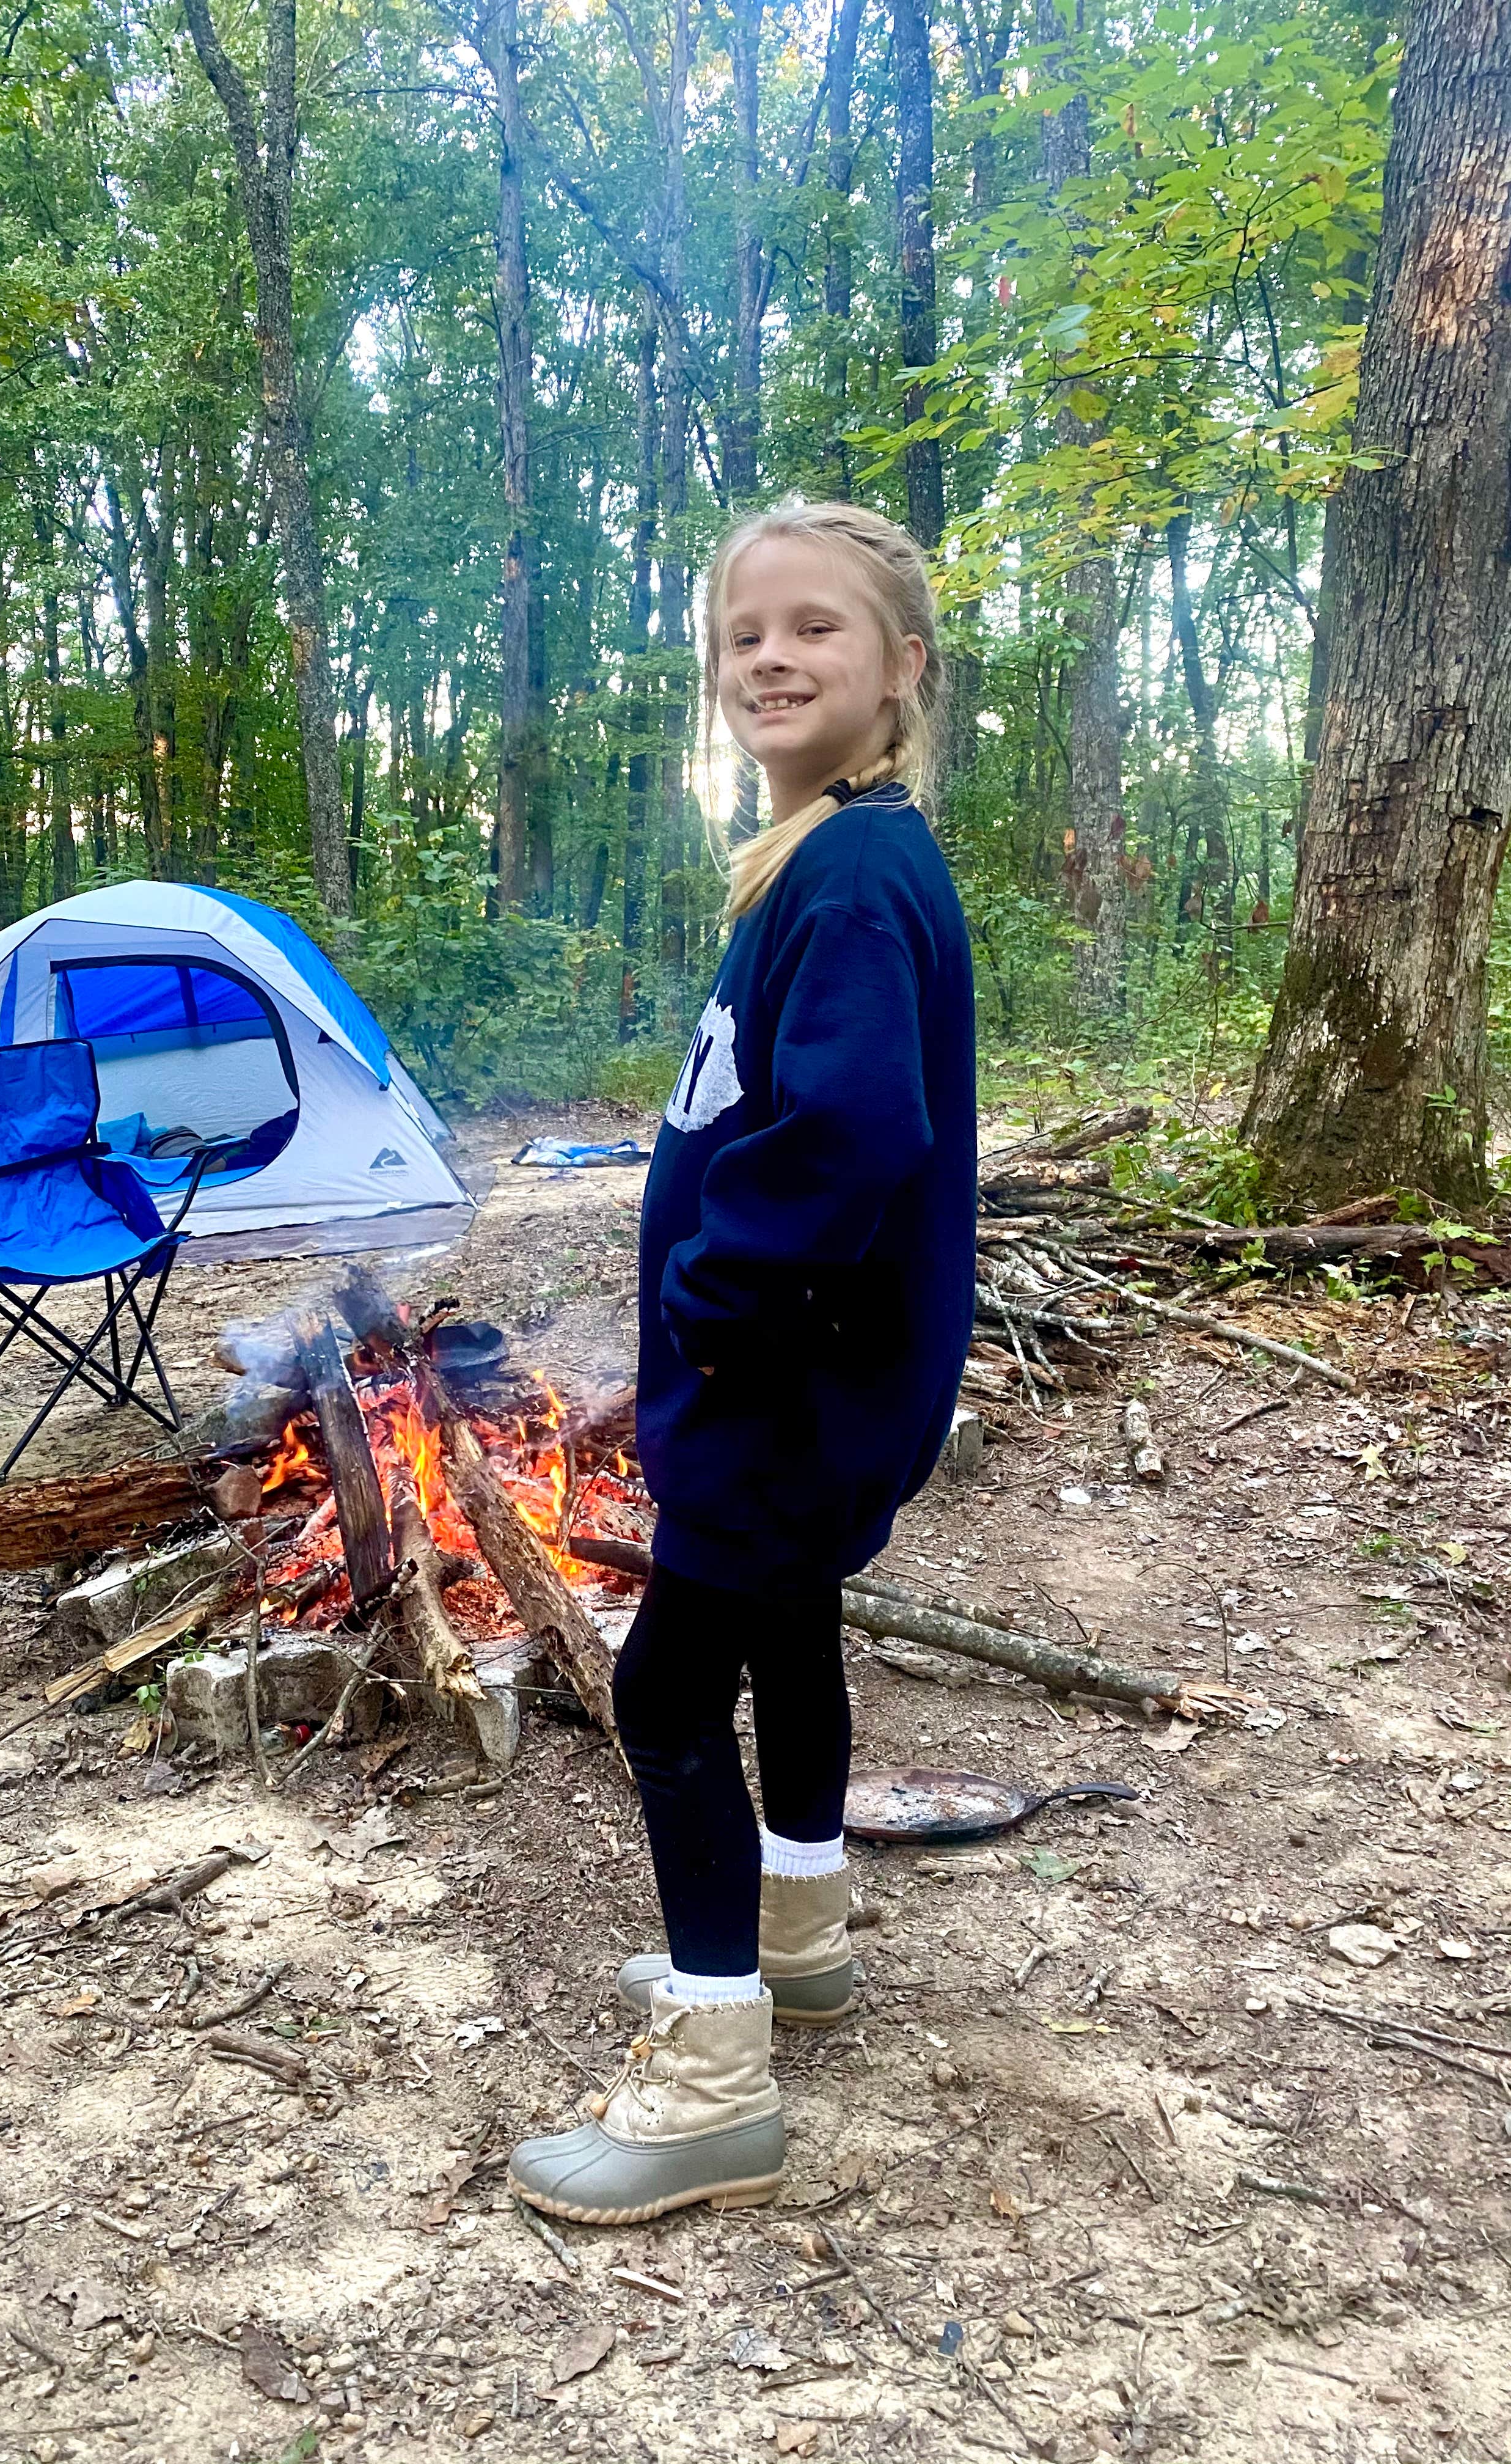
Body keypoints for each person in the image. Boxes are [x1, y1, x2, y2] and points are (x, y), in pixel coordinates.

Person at [508, 500, 977, 2225]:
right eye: (743, 635)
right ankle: (801, 1942)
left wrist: (711, 1296)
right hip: (813, 1388)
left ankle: (712, 2088)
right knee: (791, 1638)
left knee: (664, 1695)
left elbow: (851, 1134)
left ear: (901, 668)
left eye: (815, 629)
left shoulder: (852, 877)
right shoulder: (840, 855)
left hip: (786, 1382)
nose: (771, 658)